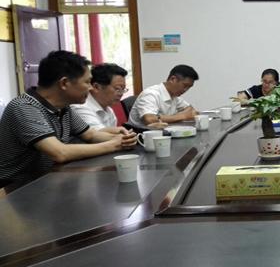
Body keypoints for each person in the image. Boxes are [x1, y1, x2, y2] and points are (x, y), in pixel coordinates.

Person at [0, 51, 137, 187]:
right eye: (87, 82)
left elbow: (91, 135)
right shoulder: (24, 107)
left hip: (50, 178)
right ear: (64, 83)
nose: (91, 88)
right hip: (18, 188)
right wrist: (114, 144)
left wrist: (124, 139)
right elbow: (60, 153)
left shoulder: (63, 108)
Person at [128, 65, 199, 129]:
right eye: (185, 85)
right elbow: (149, 119)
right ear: (173, 79)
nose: (186, 90)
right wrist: (182, 116)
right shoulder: (151, 94)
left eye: (189, 87)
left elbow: (191, 110)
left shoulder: (174, 96)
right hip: (141, 136)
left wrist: (183, 116)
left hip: (163, 133)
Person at [72, 63, 130, 134]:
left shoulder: (108, 110)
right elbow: (96, 135)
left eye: (123, 89)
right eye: (117, 89)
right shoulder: (80, 107)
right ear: (96, 87)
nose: (121, 94)